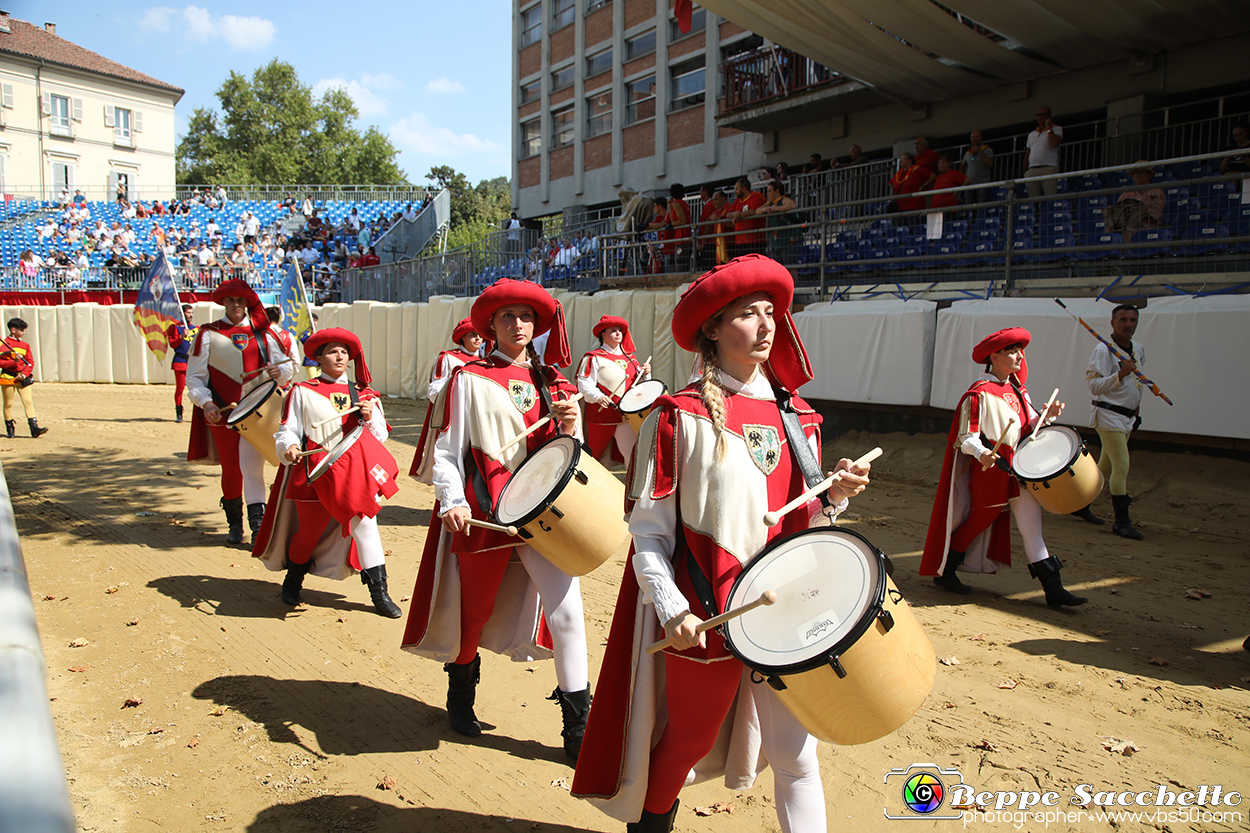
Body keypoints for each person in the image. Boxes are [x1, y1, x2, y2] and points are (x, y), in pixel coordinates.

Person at [571, 254, 871, 833]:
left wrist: (837, 495)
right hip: (709, 611)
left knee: (798, 760)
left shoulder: (799, 417)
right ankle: (651, 825)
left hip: (788, 615)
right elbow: (649, 534)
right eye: (746, 314)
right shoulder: (674, 416)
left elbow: (804, 522)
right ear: (712, 328)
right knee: (685, 742)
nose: (765, 326)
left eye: (771, 314)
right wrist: (674, 608)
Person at [403, 278, 591, 761]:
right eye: (507, 317)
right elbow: (448, 450)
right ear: (491, 325)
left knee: (567, 613)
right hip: (485, 511)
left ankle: (578, 729)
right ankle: (461, 690)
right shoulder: (469, 378)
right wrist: (452, 500)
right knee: (474, 613)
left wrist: (571, 428)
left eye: (526, 316)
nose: (518, 325)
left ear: (538, 324)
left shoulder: (559, 384)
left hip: (545, 515)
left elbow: (571, 459)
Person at [920, 327, 1087, 608]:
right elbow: (966, 438)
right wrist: (983, 454)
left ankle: (1053, 589)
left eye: (1020, 350)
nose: (1020, 356)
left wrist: (1047, 416)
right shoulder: (978, 394)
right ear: (994, 357)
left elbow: (1029, 428)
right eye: (1012, 351)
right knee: (976, 523)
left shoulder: (1018, 391)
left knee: (1032, 530)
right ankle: (946, 571)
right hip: (992, 471)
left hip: (1021, 470)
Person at [252, 328, 402, 618]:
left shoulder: (365, 394)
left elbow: (379, 437)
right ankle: (293, 580)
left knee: (366, 526)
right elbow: (287, 431)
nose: (340, 356)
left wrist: (370, 418)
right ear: (318, 357)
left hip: (354, 476)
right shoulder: (302, 391)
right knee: (307, 535)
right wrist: (291, 447)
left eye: (344, 352)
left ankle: (380, 593)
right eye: (333, 351)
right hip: (315, 476)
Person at [186, 280, 295, 544]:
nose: (236, 305)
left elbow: (288, 370)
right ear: (223, 302)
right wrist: (207, 403)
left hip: (261, 414)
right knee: (233, 470)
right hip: (223, 414)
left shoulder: (266, 333)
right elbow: (195, 378)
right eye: (231, 300)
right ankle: (234, 522)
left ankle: (259, 528)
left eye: (242, 300)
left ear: (248, 303)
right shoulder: (207, 334)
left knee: (255, 467)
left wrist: (277, 372)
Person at [1078, 305, 1146, 539]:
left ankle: (1081, 504)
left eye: (1133, 320)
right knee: (1122, 465)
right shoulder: (1102, 351)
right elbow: (1094, 387)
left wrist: (1136, 411)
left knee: (1105, 467)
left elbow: (1135, 387)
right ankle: (1121, 522)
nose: (1129, 324)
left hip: (1127, 417)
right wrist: (1120, 374)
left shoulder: (1138, 349)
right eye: (1124, 320)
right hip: (1108, 415)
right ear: (1113, 323)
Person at [577, 315, 651, 463]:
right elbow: (584, 383)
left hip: (626, 417)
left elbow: (641, 385)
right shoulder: (593, 357)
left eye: (620, 330)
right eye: (613, 330)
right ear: (603, 334)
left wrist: (647, 374)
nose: (618, 333)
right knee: (593, 458)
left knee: (633, 455)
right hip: (600, 418)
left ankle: (631, 486)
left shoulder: (631, 358)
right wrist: (598, 397)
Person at [0, 318, 49, 438]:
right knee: (8, 404)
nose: (24, 332)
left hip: (22, 379)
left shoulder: (24, 345)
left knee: (28, 402)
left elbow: (30, 362)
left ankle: (34, 428)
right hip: (7, 378)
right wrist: (14, 362)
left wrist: (24, 374)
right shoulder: (2, 344)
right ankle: (10, 430)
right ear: (13, 330)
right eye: (21, 330)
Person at [1102, 162, 1165, 243]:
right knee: (1109, 227)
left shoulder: (1157, 191)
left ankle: (1126, 254)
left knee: (1129, 230)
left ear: (1149, 175)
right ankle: (1108, 253)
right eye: (1135, 173)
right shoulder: (1127, 192)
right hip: (1125, 222)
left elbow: (1156, 213)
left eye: (1142, 172)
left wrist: (1136, 211)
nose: (1138, 175)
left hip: (1145, 224)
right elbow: (1118, 208)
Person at [427, 317, 485, 402]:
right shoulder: (448, 358)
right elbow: (435, 389)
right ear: (463, 337)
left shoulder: (483, 362)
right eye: (473, 334)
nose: (478, 338)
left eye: (480, 335)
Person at [755, 180, 803, 261]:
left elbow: (792, 205)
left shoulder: (784, 199)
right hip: (776, 243)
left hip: (789, 241)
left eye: (770, 191)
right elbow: (757, 210)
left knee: (790, 267)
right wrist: (764, 209)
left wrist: (776, 209)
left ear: (777, 191)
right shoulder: (770, 203)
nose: (768, 194)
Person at [1024, 106, 1063, 197]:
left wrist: (1049, 128)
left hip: (1048, 168)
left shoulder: (1057, 129)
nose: (1040, 117)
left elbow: (1054, 143)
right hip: (1032, 169)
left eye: (1043, 114)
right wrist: (1025, 171)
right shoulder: (1032, 134)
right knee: (1033, 200)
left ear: (1049, 116)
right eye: (1038, 115)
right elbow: (1027, 154)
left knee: (1050, 197)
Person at [168, 303, 198, 423]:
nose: (190, 315)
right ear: (182, 314)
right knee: (180, 388)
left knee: (197, 388)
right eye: (188, 313)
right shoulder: (174, 328)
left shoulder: (196, 328)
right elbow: (172, 344)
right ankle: (179, 412)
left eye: (191, 313)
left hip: (193, 362)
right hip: (180, 361)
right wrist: (181, 337)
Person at [725, 177, 766, 259]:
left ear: (744, 188)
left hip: (755, 240)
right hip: (740, 240)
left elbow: (754, 210)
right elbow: (728, 214)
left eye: (737, 188)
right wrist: (735, 214)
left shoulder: (756, 196)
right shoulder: (737, 201)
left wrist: (740, 214)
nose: (735, 191)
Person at [961, 130, 995, 205]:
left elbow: (989, 164)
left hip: (983, 183)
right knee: (969, 207)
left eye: (977, 136)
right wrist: (963, 179)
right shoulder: (968, 152)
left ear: (981, 138)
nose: (975, 139)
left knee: (982, 206)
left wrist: (979, 152)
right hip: (970, 184)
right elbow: (962, 164)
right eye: (973, 137)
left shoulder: (987, 149)